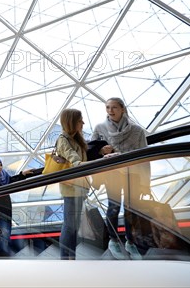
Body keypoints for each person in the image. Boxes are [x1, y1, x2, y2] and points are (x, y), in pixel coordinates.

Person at [91, 97, 148, 260]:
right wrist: (102, 151)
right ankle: (114, 240)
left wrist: (145, 182)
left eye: (114, 107)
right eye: (107, 107)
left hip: (133, 175)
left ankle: (131, 242)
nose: (110, 111)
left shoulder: (137, 130)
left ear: (122, 109)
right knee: (113, 208)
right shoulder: (100, 128)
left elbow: (145, 156)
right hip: (112, 174)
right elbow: (91, 152)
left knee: (131, 209)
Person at [0, 157, 32, 257]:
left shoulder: (3, 174)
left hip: (5, 205)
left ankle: (3, 248)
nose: (0, 168)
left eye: (1, 165)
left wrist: (22, 175)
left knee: (5, 228)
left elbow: (10, 180)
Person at [56, 108, 89, 260]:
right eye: (79, 120)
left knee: (74, 226)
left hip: (80, 187)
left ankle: (71, 258)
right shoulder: (63, 139)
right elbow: (73, 158)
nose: (83, 122)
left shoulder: (77, 138)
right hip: (70, 189)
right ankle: (65, 259)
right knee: (69, 226)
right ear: (71, 122)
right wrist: (80, 164)